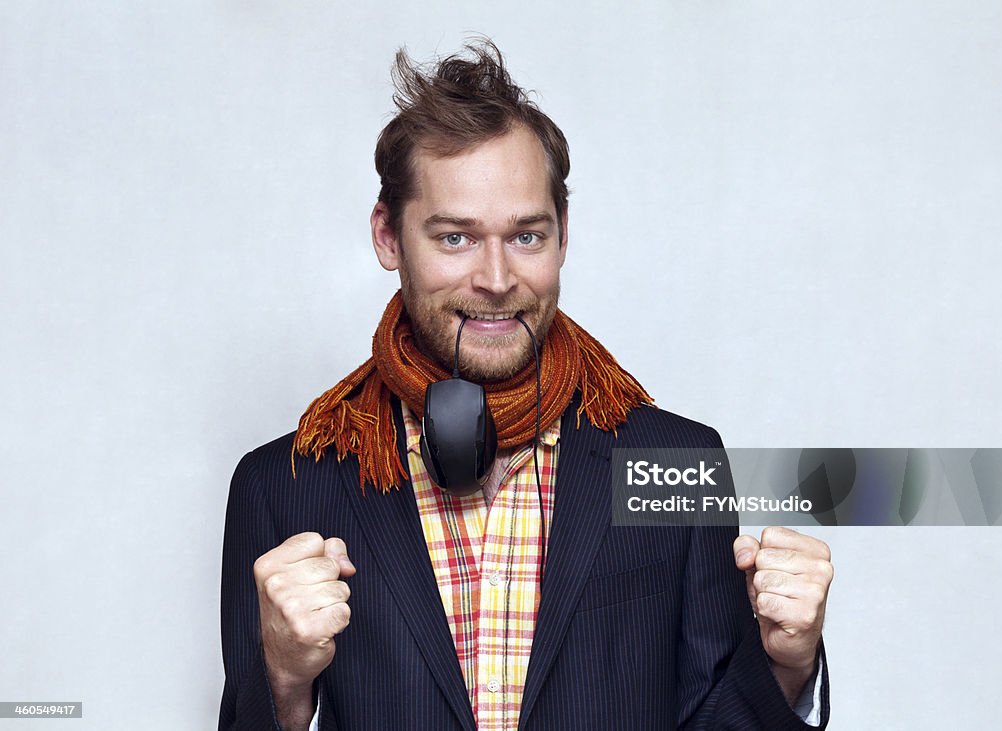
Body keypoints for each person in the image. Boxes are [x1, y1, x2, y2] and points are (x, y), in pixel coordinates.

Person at [219, 40, 833, 731]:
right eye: (454, 238)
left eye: (527, 237)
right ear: (389, 237)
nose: (496, 278)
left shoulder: (677, 464)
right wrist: (280, 675)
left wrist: (787, 664)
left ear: (563, 234)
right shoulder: (285, 484)